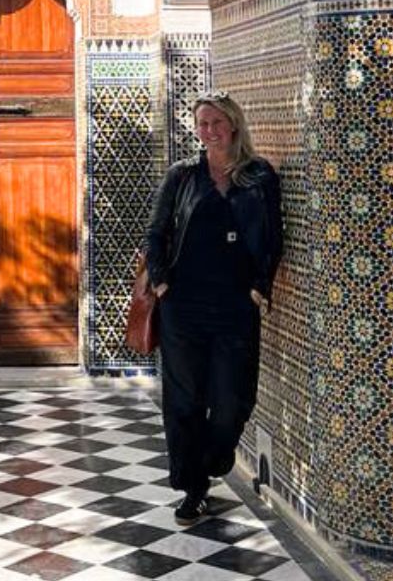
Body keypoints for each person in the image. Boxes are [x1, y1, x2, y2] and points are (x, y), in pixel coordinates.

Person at [143, 90, 283, 525]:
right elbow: (155, 234)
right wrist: (163, 284)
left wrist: (261, 287)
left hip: (236, 307)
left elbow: (275, 237)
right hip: (183, 307)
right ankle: (192, 488)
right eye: (202, 124)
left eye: (216, 123)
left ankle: (211, 463)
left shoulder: (259, 177)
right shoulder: (183, 175)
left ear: (234, 125)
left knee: (232, 401)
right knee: (184, 401)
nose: (208, 132)